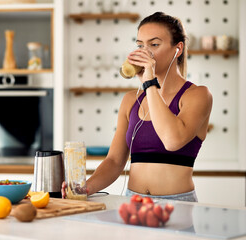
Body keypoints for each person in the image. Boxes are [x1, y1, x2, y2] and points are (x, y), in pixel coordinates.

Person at [62, 12, 213, 202]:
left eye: (154, 44)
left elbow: (172, 141)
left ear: (178, 49)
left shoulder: (197, 95)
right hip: (133, 201)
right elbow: (115, 161)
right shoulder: (130, 100)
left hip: (178, 204)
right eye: (140, 45)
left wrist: (149, 83)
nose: (145, 52)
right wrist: (85, 188)